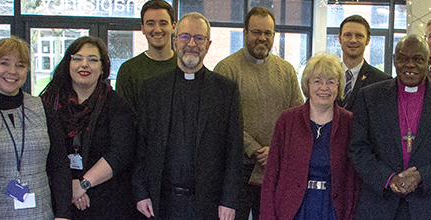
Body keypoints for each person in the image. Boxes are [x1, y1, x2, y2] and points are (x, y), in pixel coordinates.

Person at [132, 12, 243, 220]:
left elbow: (234, 150)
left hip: (207, 205)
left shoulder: (225, 91)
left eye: (199, 38)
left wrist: (229, 200)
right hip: (161, 204)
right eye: (184, 37)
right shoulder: (152, 89)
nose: (191, 43)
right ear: (174, 42)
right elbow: (141, 147)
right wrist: (141, 193)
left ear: (208, 45)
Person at [349, 35, 431, 220]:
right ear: (394, 61)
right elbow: (358, 148)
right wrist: (388, 178)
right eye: (403, 59)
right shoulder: (370, 97)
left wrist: (422, 176)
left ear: (428, 61)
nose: (410, 65)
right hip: (380, 205)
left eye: (418, 59)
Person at [213, 6, 304, 220]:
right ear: (245, 33)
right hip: (238, 170)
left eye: (267, 33)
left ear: (274, 35)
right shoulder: (226, 69)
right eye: (256, 32)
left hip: (276, 168)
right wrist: (255, 149)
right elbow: (222, 121)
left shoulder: (286, 70)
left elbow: (297, 118)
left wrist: (275, 149)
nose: (262, 38)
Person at [40, 36, 141, 219]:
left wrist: (83, 185)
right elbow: (43, 151)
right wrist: (67, 186)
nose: (84, 64)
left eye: (93, 59)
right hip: (58, 200)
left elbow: (121, 152)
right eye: (77, 58)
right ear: (68, 63)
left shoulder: (117, 105)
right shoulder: (48, 102)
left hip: (106, 202)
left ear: (103, 67)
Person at [260, 52, 360, 220]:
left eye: (331, 82)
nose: (324, 88)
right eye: (317, 81)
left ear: (339, 86)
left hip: (333, 209)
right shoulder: (287, 120)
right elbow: (271, 176)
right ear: (307, 84)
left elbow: (354, 179)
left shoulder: (349, 123)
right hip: (293, 208)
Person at [0, 36, 71, 219]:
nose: (12, 71)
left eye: (20, 65)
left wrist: (63, 214)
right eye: (4, 63)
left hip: (41, 211)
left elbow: (59, 165)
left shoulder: (42, 108)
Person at [115, 0, 178, 107]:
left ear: (173, 27)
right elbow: (124, 118)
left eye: (163, 23)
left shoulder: (185, 67)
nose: (157, 29)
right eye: (150, 24)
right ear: (143, 28)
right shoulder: (129, 71)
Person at [337, 15, 391, 111]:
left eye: (359, 36)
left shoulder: (382, 82)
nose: (353, 40)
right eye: (348, 35)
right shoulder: (328, 76)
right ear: (339, 38)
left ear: (368, 40)